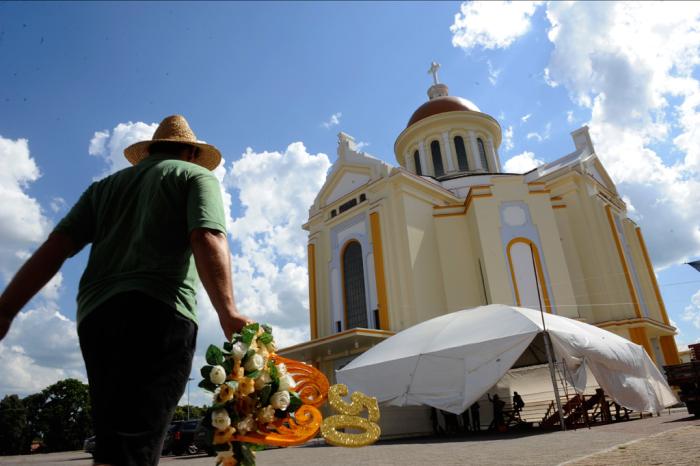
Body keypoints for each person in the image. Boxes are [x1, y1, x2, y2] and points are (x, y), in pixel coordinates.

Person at [0, 115, 250, 466]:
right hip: (159, 309)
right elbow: (206, 235)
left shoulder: (103, 189)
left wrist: (6, 308)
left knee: (115, 440)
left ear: (150, 151)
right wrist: (228, 312)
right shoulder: (195, 175)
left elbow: (56, 246)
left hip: (96, 316)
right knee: (135, 447)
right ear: (191, 153)